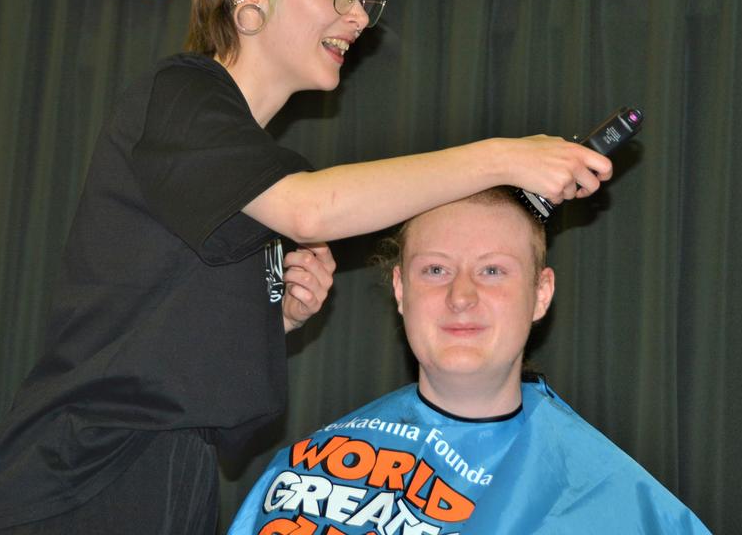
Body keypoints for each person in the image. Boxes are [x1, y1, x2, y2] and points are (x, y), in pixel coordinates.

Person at [0, 0, 612, 534]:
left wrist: (271, 316)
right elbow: (313, 211)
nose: (356, 16)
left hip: (172, 474)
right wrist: (502, 157)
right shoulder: (182, 95)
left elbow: (163, 315)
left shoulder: (242, 160)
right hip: (85, 475)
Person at [228, 188, 711, 535]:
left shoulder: (608, 495)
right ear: (400, 290)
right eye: (436, 269)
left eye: (492, 270)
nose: (461, 296)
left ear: (540, 294)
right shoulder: (309, 472)